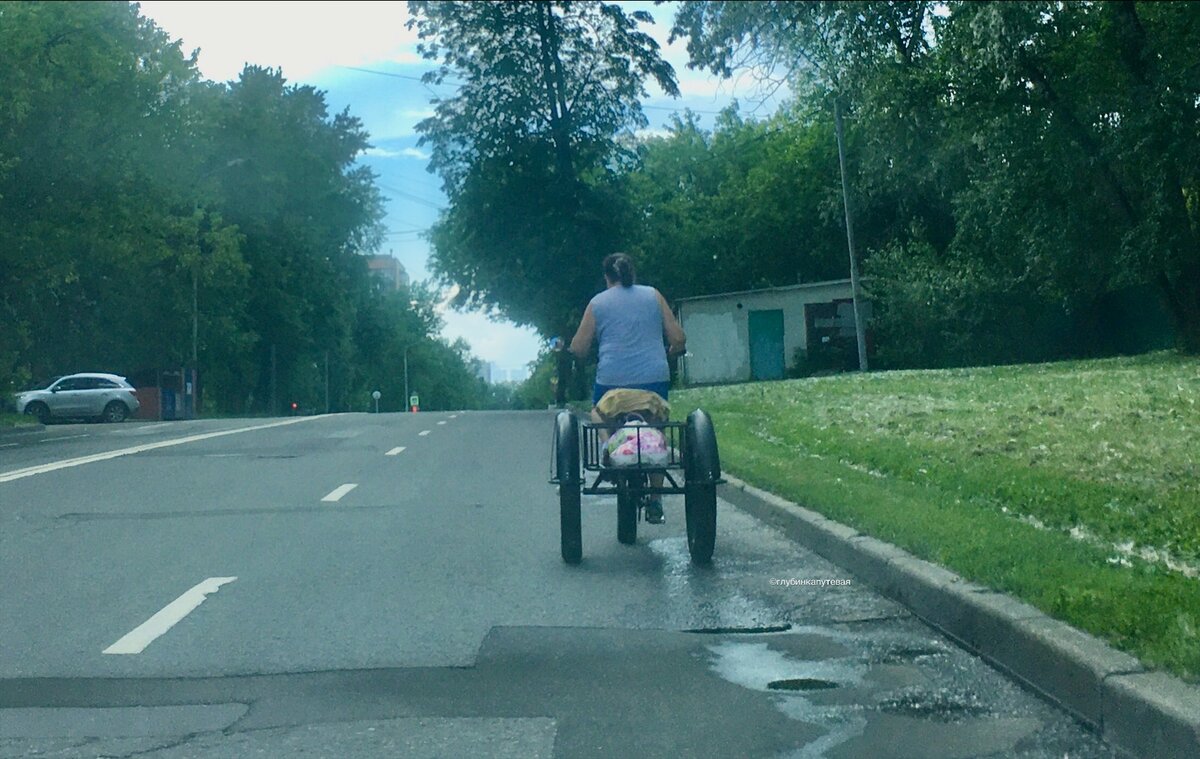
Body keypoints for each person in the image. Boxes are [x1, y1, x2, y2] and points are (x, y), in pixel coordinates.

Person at [570, 253, 686, 523]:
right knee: (656, 424)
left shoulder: (597, 303)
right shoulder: (654, 295)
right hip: (653, 381)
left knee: (598, 413)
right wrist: (672, 351)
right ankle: (655, 499)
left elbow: (578, 347)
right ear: (632, 273)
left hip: (612, 382)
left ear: (606, 277)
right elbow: (679, 338)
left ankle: (609, 447)